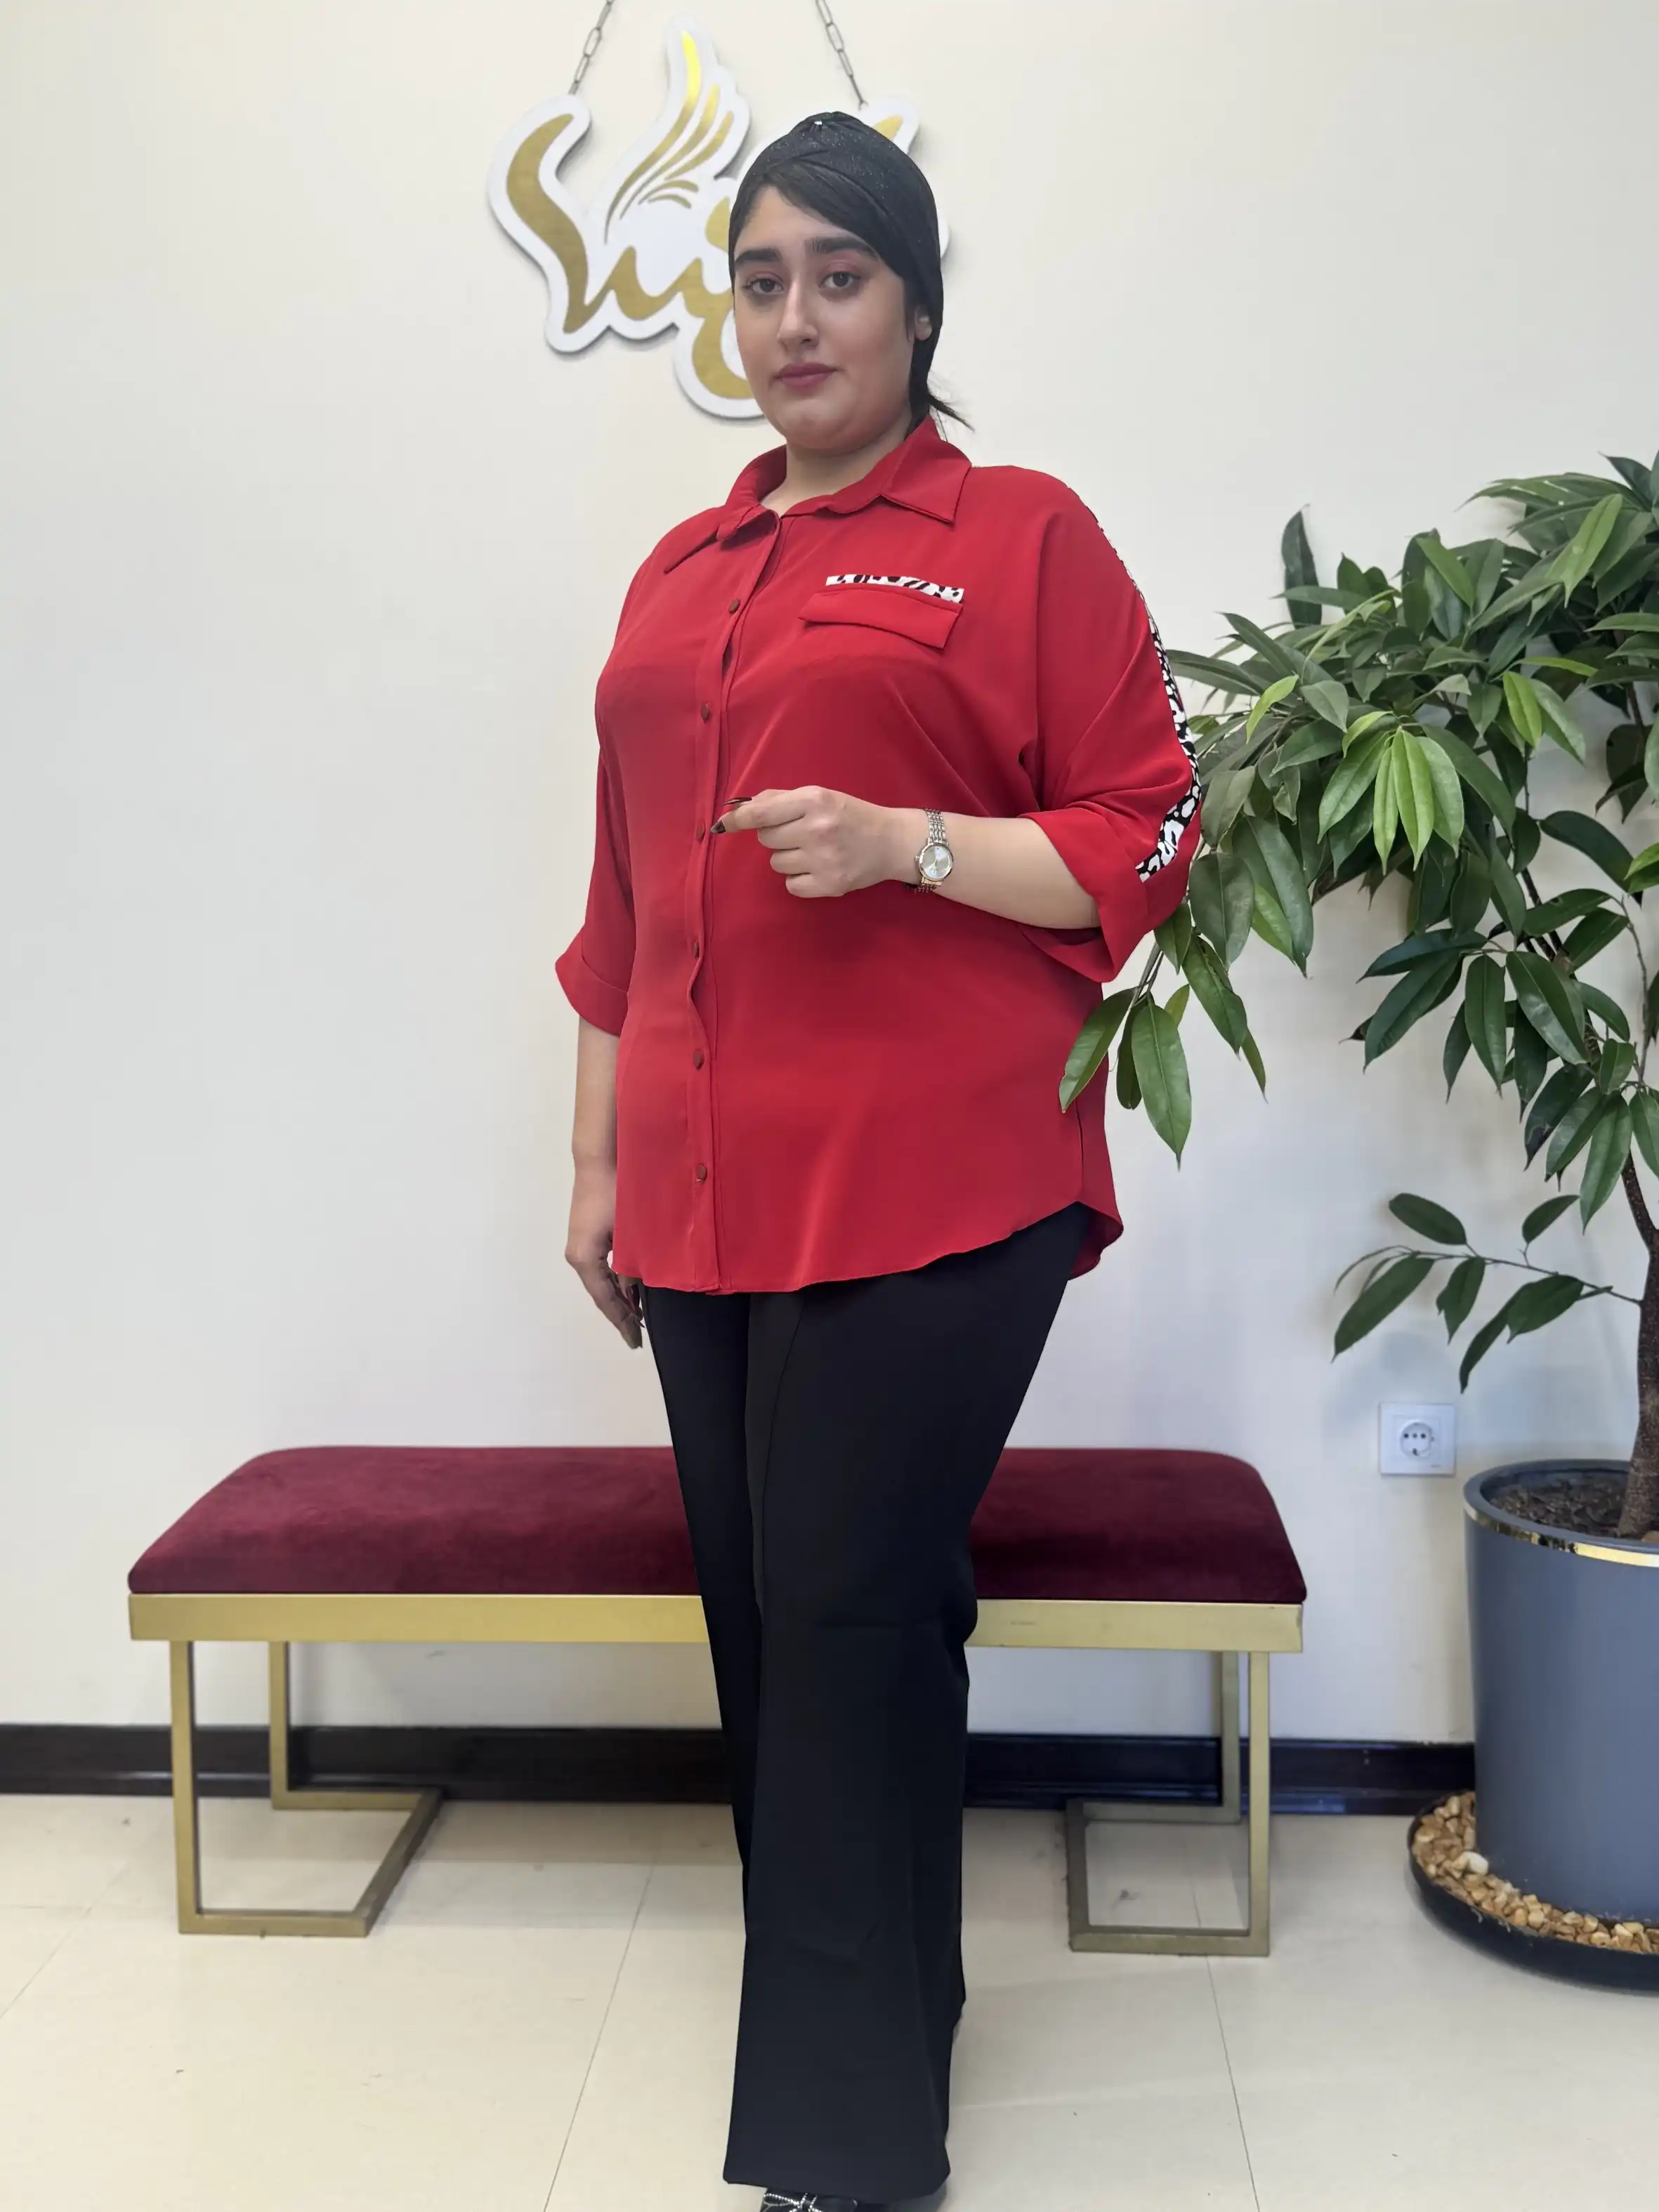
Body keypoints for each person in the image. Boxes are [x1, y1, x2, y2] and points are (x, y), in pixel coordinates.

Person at [557, 110, 1202, 2212]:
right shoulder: (682, 571)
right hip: (702, 1187)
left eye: (839, 277)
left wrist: (911, 842)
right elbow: (623, 903)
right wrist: (595, 1165)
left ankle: (842, 2149)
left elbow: (1150, 830)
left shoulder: (1018, 536)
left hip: (939, 1181)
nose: (795, 318)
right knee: (791, 1619)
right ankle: (893, 2014)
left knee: (836, 1606)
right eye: (761, 280)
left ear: (918, 307)